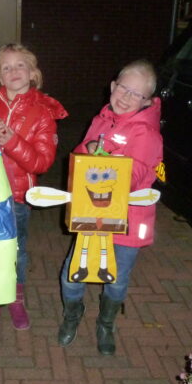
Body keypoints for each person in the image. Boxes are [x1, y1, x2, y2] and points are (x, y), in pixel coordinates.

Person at [57, 59, 162, 355]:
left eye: (136, 94)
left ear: (147, 101)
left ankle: (106, 322)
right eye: (123, 88)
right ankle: (73, 314)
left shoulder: (147, 133)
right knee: (72, 273)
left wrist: (104, 158)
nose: (126, 97)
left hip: (129, 221)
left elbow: (135, 176)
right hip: (93, 213)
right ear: (113, 86)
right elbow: (80, 158)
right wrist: (88, 149)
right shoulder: (101, 119)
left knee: (116, 278)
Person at [0, 43, 68, 330]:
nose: (14, 71)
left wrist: (12, 141)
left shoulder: (42, 112)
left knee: (16, 250)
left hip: (18, 196)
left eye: (20, 65)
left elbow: (42, 163)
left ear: (32, 73)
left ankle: (15, 297)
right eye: (6, 67)